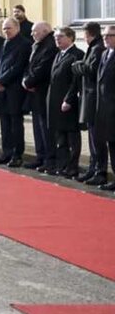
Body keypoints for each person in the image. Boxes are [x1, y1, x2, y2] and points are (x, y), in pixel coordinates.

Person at [0, 17, 31, 166]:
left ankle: (17, 154)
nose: (6, 31)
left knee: (15, 123)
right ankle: (6, 151)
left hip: (14, 89)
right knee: (4, 123)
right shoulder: (4, 43)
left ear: (17, 28)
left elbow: (18, 67)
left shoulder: (24, 44)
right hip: (1, 89)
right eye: (4, 28)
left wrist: (2, 81)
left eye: (9, 28)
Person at [47, 26, 83, 178]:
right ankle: (62, 165)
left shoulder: (77, 54)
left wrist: (68, 99)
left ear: (70, 37)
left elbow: (75, 81)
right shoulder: (59, 54)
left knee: (72, 137)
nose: (57, 39)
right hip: (55, 101)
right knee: (60, 137)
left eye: (60, 36)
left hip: (69, 103)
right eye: (56, 37)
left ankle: (72, 167)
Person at [74, 22, 105, 185]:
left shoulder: (98, 48)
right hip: (89, 98)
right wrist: (81, 66)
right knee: (92, 138)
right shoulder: (94, 47)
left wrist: (78, 65)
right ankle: (93, 168)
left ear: (89, 34)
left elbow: (91, 70)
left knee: (97, 138)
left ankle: (99, 170)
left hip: (94, 99)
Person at [22, 21, 55, 170]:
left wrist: (28, 82)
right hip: (34, 91)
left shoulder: (49, 46)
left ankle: (49, 159)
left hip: (42, 91)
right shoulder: (37, 45)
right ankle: (40, 156)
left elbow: (42, 68)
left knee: (45, 128)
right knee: (37, 126)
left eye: (35, 31)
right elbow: (30, 66)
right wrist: (26, 81)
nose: (31, 34)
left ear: (45, 31)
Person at [96, 24, 115, 191]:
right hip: (105, 108)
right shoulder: (104, 53)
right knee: (111, 144)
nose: (105, 38)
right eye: (104, 35)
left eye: (110, 35)